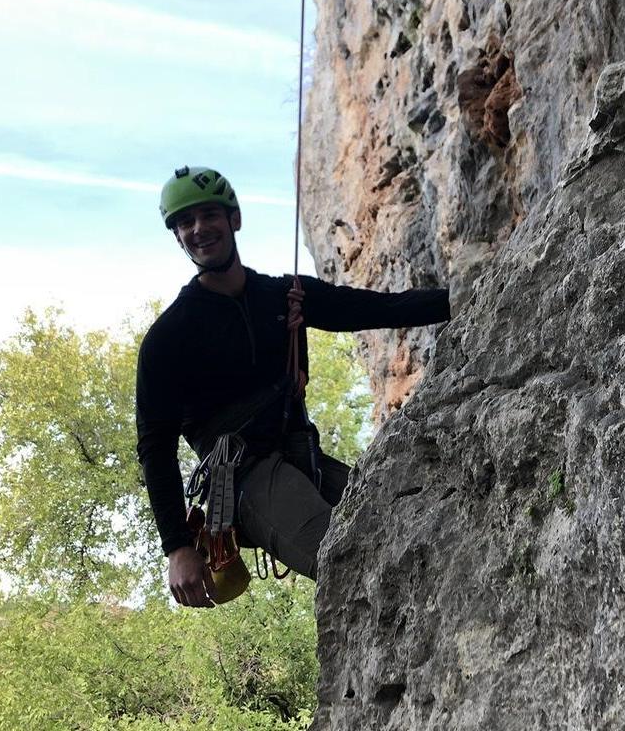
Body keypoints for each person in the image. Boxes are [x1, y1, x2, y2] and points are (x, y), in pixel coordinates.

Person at [136, 166, 450, 607]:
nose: (198, 229)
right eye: (185, 223)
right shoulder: (170, 337)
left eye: (209, 215)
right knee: (346, 557)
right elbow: (155, 446)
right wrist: (178, 548)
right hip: (245, 478)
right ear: (177, 237)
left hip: (303, 458)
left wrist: (462, 299)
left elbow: (369, 308)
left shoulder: (284, 297)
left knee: (410, 517)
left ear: (234, 220)